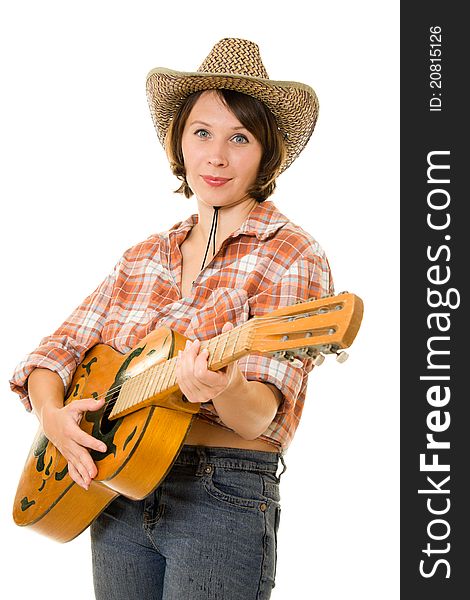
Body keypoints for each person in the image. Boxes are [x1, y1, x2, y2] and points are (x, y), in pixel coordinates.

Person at [10, 38, 333, 600]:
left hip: (221, 492)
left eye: (240, 138)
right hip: (115, 490)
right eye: (202, 133)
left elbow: (259, 416)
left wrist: (226, 384)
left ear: (266, 153)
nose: (216, 156)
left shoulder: (292, 253)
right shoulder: (142, 256)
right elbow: (54, 353)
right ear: (178, 142)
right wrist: (53, 417)